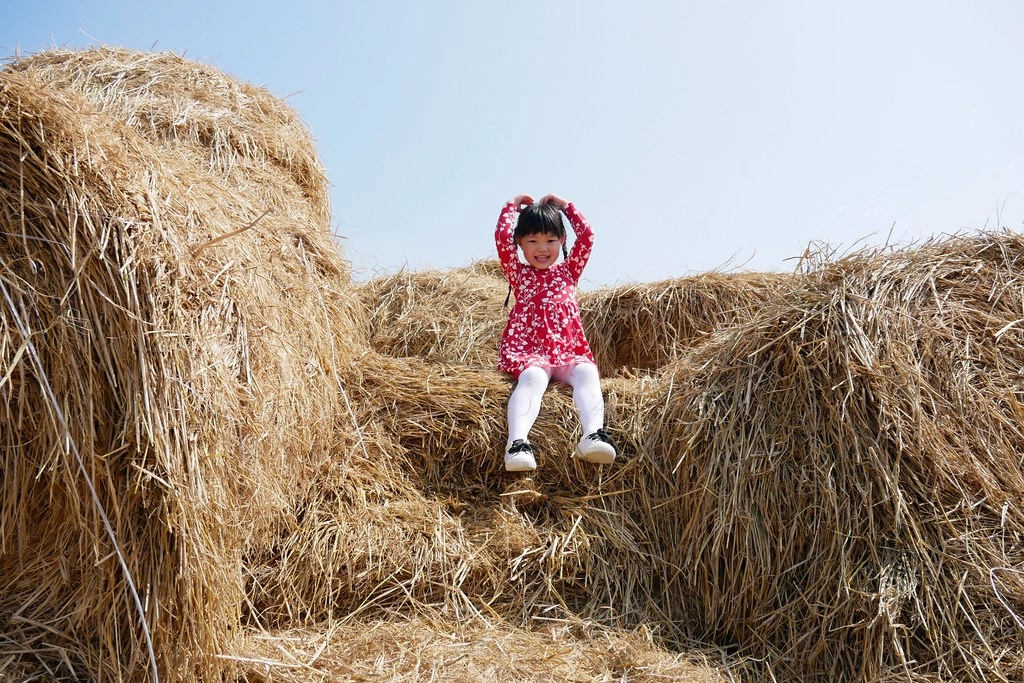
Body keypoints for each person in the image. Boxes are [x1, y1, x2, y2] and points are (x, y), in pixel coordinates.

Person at [494, 192, 616, 472]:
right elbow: (502, 238)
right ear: (519, 243)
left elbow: (587, 236)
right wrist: (510, 207)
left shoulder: (569, 271)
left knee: (587, 372)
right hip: (530, 351)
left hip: (567, 350)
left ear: (562, 240)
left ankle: (592, 435)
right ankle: (517, 444)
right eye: (532, 241)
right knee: (533, 378)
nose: (542, 248)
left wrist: (566, 207)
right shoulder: (519, 274)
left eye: (550, 240)